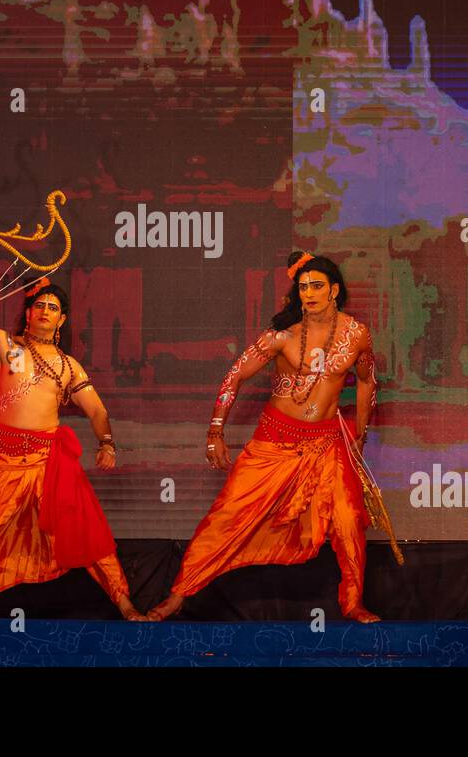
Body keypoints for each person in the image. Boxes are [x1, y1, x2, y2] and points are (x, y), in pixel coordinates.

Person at [148, 250, 386, 623]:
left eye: (317, 286)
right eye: (303, 287)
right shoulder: (282, 336)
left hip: (327, 441)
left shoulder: (357, 334)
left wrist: (360, 435)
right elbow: (234, 375)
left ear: (334, 290)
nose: (308, 293)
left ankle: (353, 602)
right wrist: (215, 431)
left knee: (347, 518)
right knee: (228, 516)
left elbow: (368, 380)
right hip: (276, 440)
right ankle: (176, 598)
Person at [0, 275, 145, 621]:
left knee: (86, 534)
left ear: (62, 320)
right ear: (29, 314)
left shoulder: (68, 366)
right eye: (40, 306)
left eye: (54, 308)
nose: (46, 312)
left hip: (48, 462)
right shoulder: (6, 347)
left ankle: (125, 604)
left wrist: (107, 443)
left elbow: (97, 410)